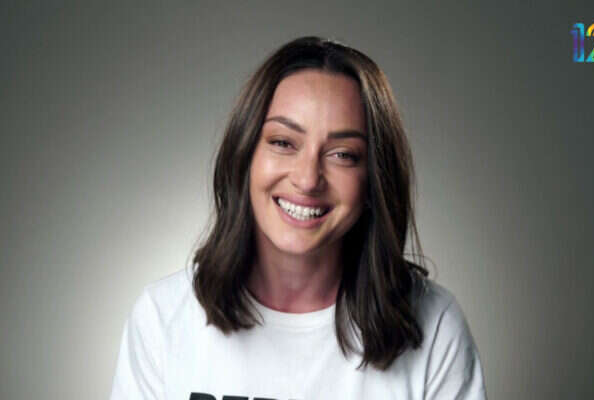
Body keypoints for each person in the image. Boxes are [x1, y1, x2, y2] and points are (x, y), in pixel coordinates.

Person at [110, 36, 487, 399]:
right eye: (283, 143)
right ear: (244, 156)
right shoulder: (163, 317)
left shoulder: (435, 325)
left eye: (342, 154)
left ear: (374, 179)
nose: (307, 180)